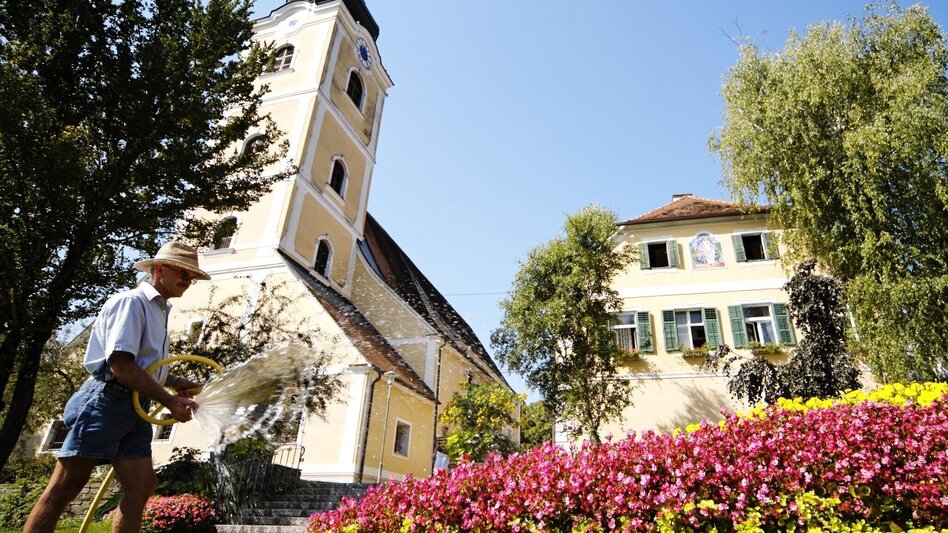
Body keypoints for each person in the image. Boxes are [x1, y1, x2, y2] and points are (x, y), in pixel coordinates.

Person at [24, 242, 210, 533]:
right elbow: (121, 364)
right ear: (159, 269)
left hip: (135, 405)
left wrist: (173, 382)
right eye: (183, 273)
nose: (188, 281)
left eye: (192, 277)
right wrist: (170, 401)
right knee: (67, 484)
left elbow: (142, 363)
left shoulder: (160, 309)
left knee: (141, 486)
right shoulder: (131, 302)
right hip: (107, 399)